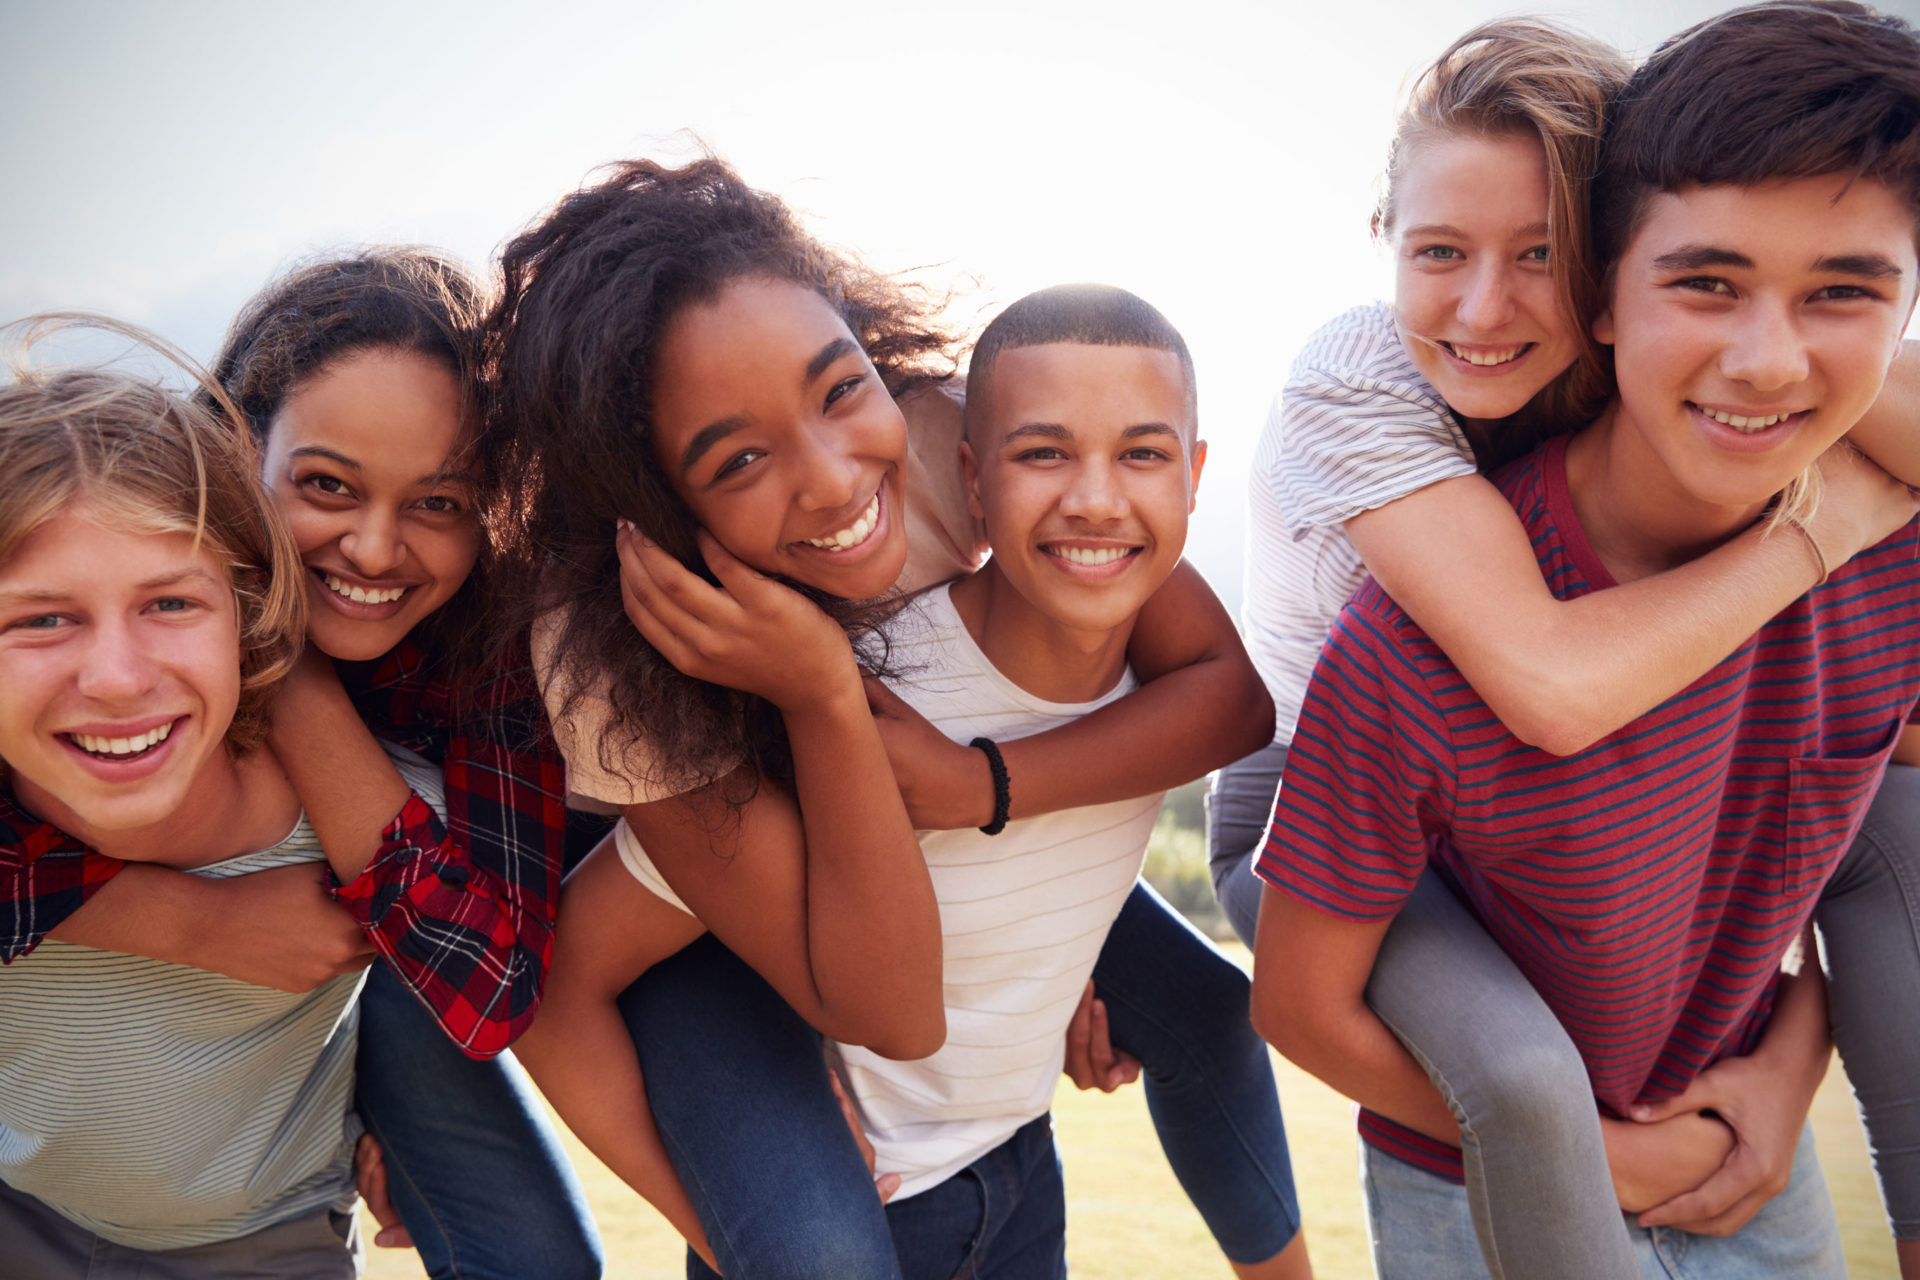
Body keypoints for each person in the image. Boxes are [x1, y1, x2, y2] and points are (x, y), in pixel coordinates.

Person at [493, 159, 1302, 1277]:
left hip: (939, 802)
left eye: (839, 389)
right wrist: (721, 1223)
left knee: (1209, 1014)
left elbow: (1219, 690)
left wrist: (1016, 840)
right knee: (818, 1247)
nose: (832, 480)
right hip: (722, 895)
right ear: (661, 506)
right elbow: (886, 1008)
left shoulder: (960, 448)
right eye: (739, 458)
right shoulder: (615, 661)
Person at [1211, 15, 1920, 1277]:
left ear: (1592, 278)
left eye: (1539, 254)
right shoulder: (1360, 388)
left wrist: (1786, 1061)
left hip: (1606, 846)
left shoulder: (1681, 382)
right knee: (1526, 1075)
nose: (1487, 305)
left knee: (1900, 827)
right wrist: (1820, 531)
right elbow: (1544, 680)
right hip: (1304, 791)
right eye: (1441, 251)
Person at [0, 253, 603, 1280]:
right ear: (234, 456)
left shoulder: (485, 661)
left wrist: (295, 682)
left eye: (438, 501)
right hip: (56, 1175)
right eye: (326, 484)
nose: (374, 547)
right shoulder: (113, 666)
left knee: (539, 1252)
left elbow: (488, 973)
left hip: (387, 916)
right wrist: (190, 919)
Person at [0, 322, 421, 1277]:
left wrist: (425, 1121)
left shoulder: (351, 813)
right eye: (42, 618)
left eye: (170, 604)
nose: (114, 677)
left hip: (266, 1242)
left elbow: (477, 946)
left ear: (251, 611)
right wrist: (185, 921)